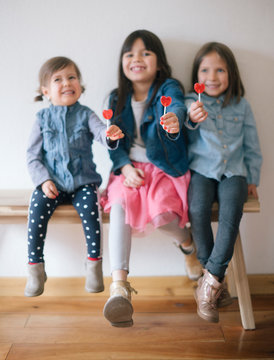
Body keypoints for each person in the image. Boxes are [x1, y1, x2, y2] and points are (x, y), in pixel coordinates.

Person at [101, 29, 202, 327]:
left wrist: (174, 121)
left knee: (165, 217)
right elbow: (113, 142)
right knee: (119, 207)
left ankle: (187, 246)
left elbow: (178, 105)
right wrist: (124, 167)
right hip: (129, 169)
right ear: (122, 62)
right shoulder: (116, 97)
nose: (137, 59)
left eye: (146, 53)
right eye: (130, 53)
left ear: (159, 62)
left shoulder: (168, 88)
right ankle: (119, 288)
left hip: (164, 167)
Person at [25, 56, 124, 297]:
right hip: (52, 184)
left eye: (72, 77)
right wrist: (43, 180)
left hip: (83, 182)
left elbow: (102, 134)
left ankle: (94, 267)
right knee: (36, 210)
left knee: (92, 211)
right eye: (58, 79)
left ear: (79, 84)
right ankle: (36, 269)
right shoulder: (42, 119)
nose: (67, 83)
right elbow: (32, 156)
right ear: (46, 91)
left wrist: (111, 135)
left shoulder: (86, 115)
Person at [185, 42, 262, 323]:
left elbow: (252, 145)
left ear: (231, 74)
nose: (212, 76)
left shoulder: (242, 105)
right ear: (196, 74)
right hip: (202, 171)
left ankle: (210, 283)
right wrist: (190, 118)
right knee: (198, 209)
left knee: (231, 215)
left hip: (235, 173)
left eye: (220, 70)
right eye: (205, 70)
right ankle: (214, 280)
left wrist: (253, 177)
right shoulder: (190, 102)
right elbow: (184, 126)